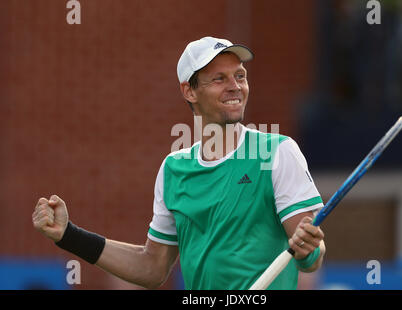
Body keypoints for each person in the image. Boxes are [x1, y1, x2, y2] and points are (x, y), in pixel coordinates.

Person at [32, 36, 326, 290]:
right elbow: (152, 268)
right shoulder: (173, 169)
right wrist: (69, 235)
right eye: (219, 79)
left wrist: (308, 249)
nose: (235, 86)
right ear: (189, 91)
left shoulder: (278, 152)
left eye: (240, 75)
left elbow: (311, 255)